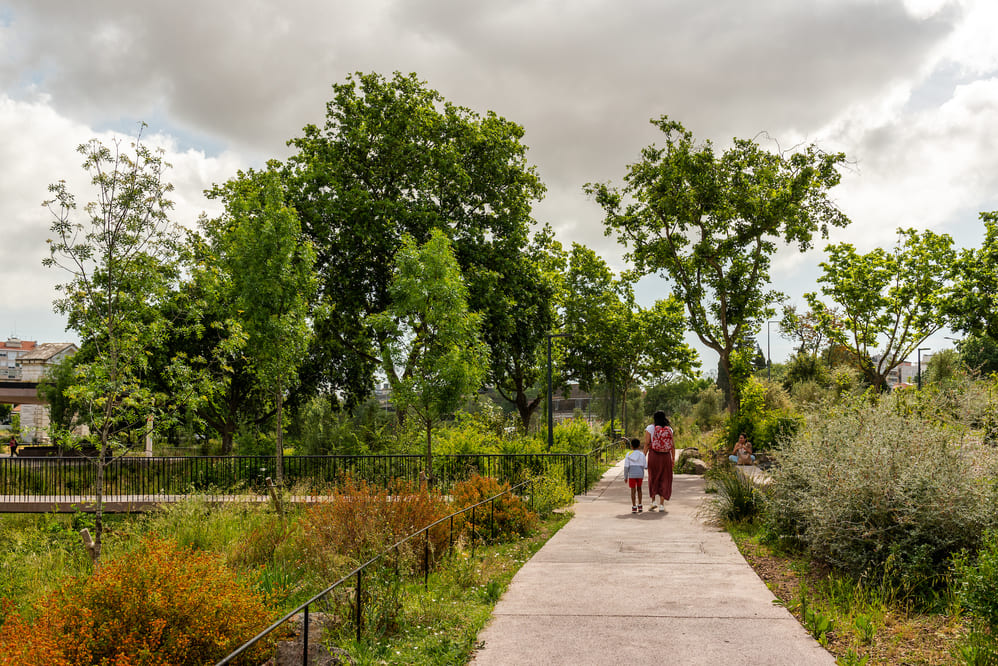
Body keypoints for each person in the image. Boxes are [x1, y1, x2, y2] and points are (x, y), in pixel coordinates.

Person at [642, 410, 675, 511]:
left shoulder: (650, 428)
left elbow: (647, 443)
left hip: (654, 456)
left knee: (653, 477)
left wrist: (643, 457)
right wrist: (673, 458)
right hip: (666, 456)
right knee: (665, 479)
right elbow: (673, 445)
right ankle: (661, 505)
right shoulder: (669, 429)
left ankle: (653, 502)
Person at [623, 437, 647, 513]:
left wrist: (626, 476)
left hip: (632, 474)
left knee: (633, 490)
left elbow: (626, 466)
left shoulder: (628, 454)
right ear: (639, 446)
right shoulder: (642, 454)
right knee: (639, 489)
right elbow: (645, 466)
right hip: (640, 474)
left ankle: (634, 506)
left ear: (631, 446)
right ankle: (640, 505)